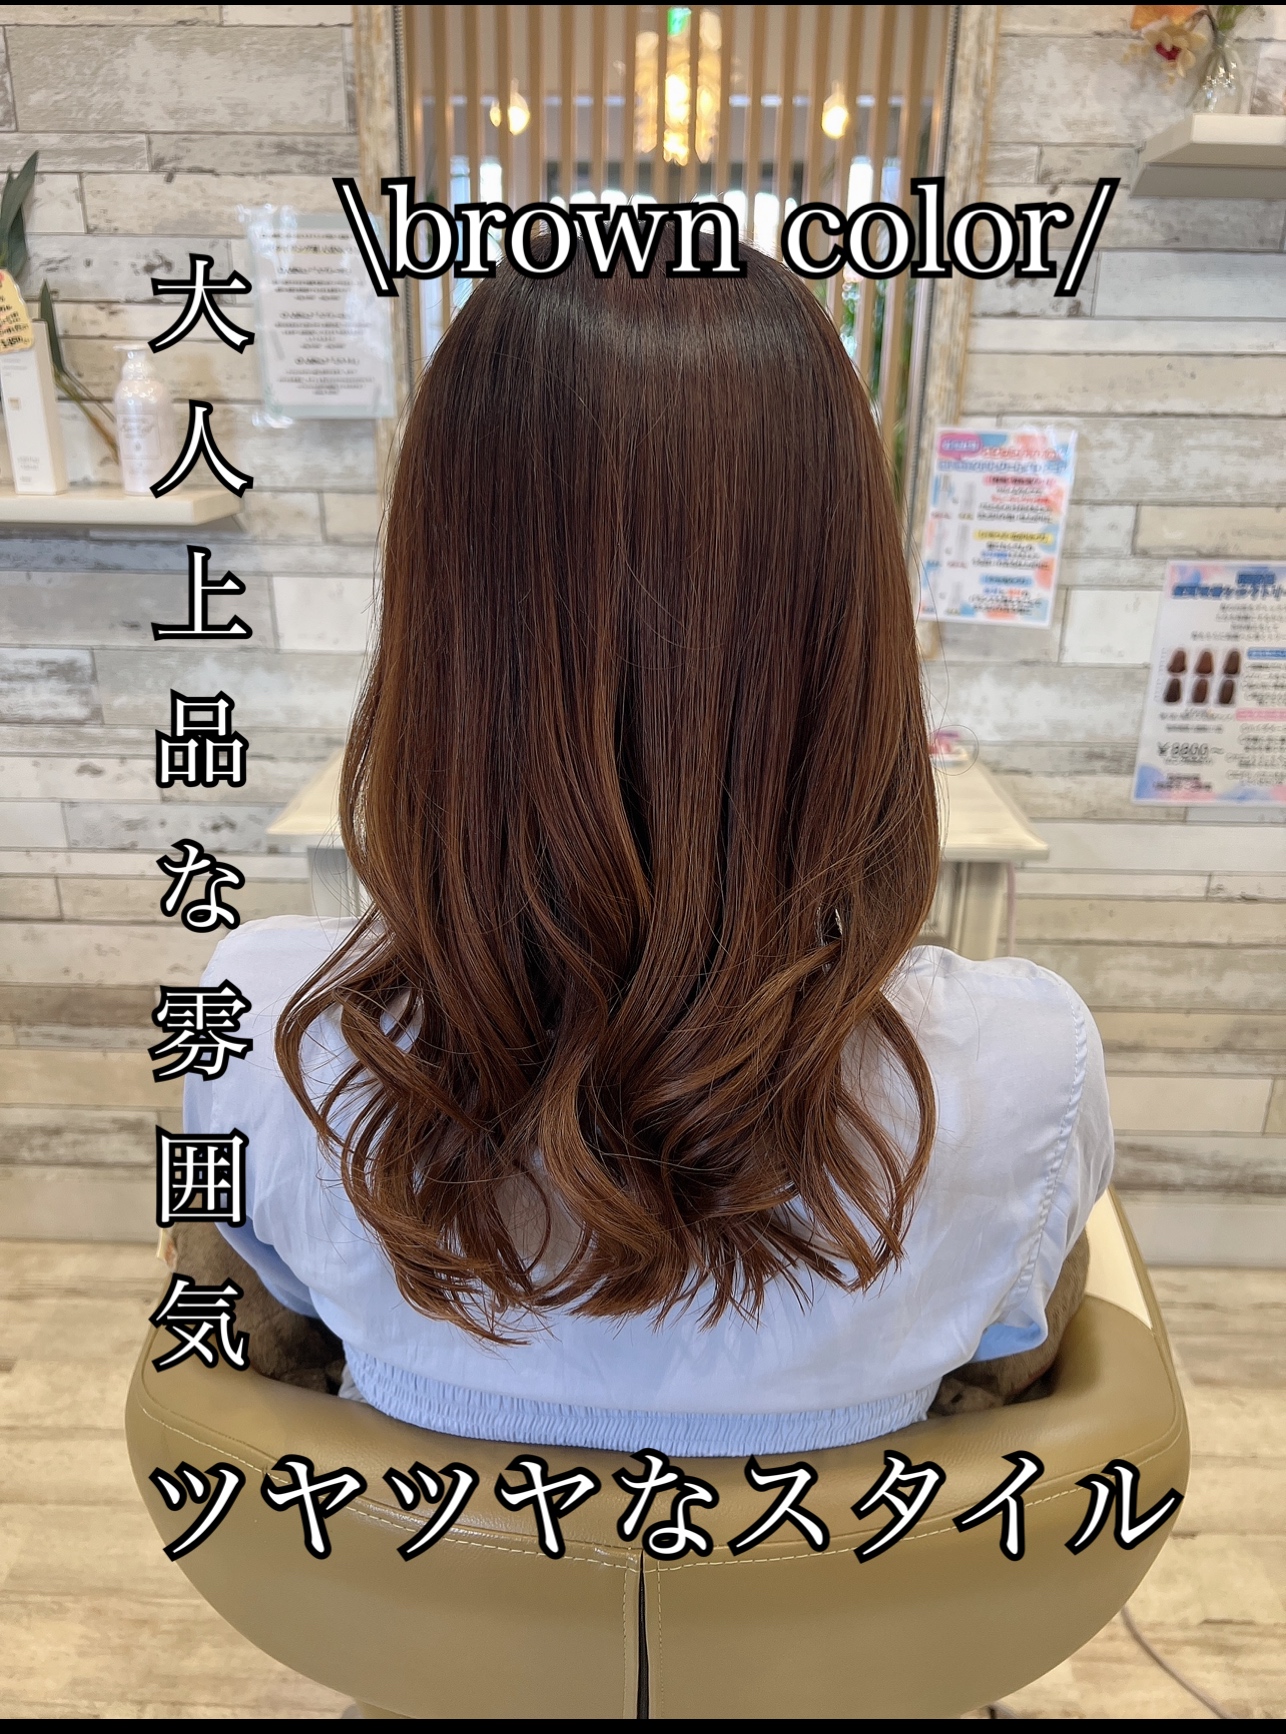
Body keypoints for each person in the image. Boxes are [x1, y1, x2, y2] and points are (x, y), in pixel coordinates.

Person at [181, 234, 1112, 1455]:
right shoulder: (1021, 1071)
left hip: (420, 1574)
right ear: (847, 623)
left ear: (444, 625)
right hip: (833, 1582)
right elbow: (1007, 1378)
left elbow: (263, 1351)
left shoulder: (267, 1029)